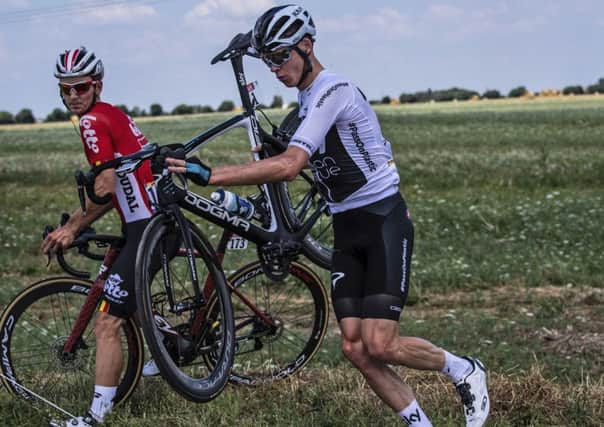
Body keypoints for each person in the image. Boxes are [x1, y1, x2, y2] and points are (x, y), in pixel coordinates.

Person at [167, 4, 490, 426]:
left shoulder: (332, 90)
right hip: (346, 227)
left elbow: (290, 165)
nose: (274, 68)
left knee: (382, 343)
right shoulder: (304, 102)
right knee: (355, 349)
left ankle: (464, 369)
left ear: (306, 45)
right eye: (267, 60)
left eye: (281, 56)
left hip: (383, 221)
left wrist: (212, 176)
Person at [42, 46, 155, 427]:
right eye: (66, 89)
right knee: (127, 302)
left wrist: (71, 227)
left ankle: (96, 418)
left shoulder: (92, 121)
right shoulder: (111, 114)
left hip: (146, 227)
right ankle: (168, 347)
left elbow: (104, 188)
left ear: (97, 85)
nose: (73, 95)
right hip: (150, 224)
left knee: (107, 321)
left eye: (81, 87)